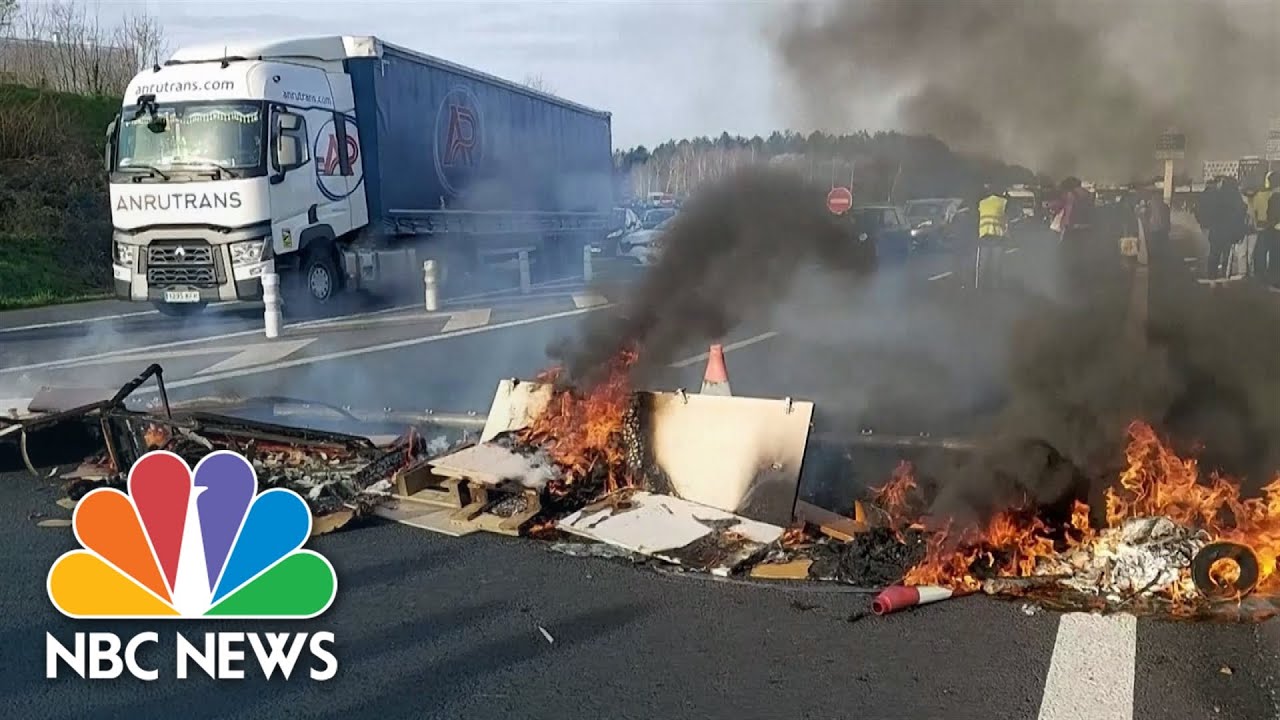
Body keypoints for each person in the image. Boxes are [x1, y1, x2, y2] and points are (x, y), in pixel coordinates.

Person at [1201, 176, 1248, 279]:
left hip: (1216, 229)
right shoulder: (1236, 197)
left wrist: (1207, 224)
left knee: (1214, 252)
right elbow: (1241, 212)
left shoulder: (1216, 195)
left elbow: (1210, 211)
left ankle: (1212, 274)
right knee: (1227, 253)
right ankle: (1225, 273)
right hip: (1229, 230)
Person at [975, 183, 1009, 289]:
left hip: (984, 235)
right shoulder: (1003, 202)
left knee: (983, 264)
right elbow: (1007, 218)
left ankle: (979, 288)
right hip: (998, 235)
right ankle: (996, 287)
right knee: (996, 264)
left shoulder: (982, 203)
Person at [1251, 170, 1277, 282]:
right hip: (1274, 226)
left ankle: (1263, 275)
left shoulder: (1267, 195)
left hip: (1268, 227)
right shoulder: (1273, 195)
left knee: (1264, 252)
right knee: (1275, 253)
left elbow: (1255, 212)